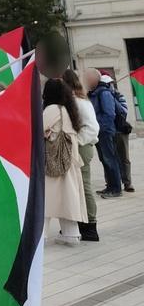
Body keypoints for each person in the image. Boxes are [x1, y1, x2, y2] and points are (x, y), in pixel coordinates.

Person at [43, 78, 87, 246]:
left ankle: (41, 235)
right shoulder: (70, 109)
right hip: (70, 159)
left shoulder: (52, 109)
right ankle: (71, 234)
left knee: (47, 198)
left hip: (54, 159)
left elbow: (37, 129)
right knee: (68, 198)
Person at [64, 69, 100, 242]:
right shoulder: (77, 99)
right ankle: (82, 224)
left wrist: (75, 141)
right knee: (77, 186)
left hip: (82, 147)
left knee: (83, 186)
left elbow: (92, 128)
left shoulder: (77, 101)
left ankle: (90, 227)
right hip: (80, 146)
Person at [84, 69, 122, 198]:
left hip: (105, 132)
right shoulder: (94, 93)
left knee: (110, 159)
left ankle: (116, 189)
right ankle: (110, 186)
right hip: (99, 132)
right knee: (104, 159)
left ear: (94, 79)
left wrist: (99, 128)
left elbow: (110, 113)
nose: (85, 81)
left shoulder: (104, 92)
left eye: (87, 79)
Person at [109, 76, 135, 193]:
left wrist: (112, 98)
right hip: (108, 131)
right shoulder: (97, 95)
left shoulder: (119, 96)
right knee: (110, 158)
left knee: (124, 158)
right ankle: (111, 181)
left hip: (120, 131)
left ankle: (128, 183)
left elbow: (123, 111)